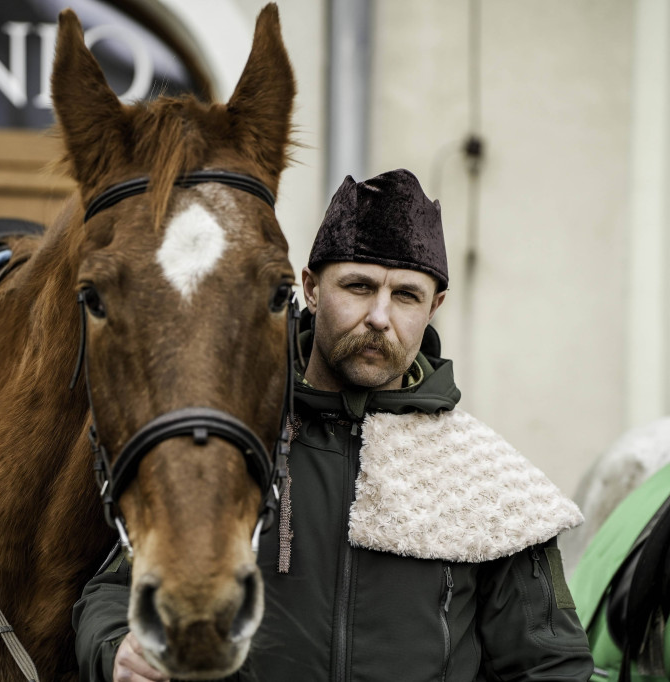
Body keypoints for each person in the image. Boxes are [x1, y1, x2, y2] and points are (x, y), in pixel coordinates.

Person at [72, 169, 594, 682]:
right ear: (311, 289)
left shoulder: (488, 480)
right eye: (359, 286)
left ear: (434, 306)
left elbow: (550, 664)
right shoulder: (231, 439)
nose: (379, 317)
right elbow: (112, 590)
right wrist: (117, 648)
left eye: (406, 296)